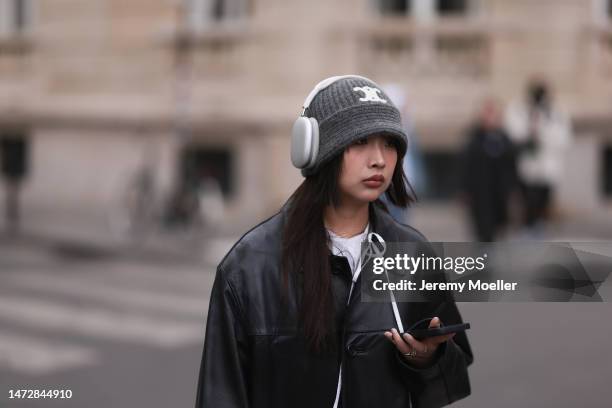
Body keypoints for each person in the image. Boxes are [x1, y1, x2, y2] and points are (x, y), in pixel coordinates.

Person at [195, 75, 472, 408]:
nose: (379, 160)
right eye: (361, 142)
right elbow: (220, 395)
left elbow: (450, 377)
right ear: (314, 147)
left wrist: (422, 357)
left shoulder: (411, 253)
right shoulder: (249, 266)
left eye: (388, 143)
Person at [504, 79, 572, 232]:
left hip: (548, 164)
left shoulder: (555, 112)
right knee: (527, 197)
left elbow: (564, 137)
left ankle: (539, 225)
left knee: (543, 198)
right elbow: (514, 132)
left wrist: (542, 133)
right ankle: (527, 226)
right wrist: (530, 130)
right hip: (527, 163)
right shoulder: (520, 109)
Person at [461, 99, 518, 242]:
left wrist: (513, 189)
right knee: (483, 231)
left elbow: (512, 166)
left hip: (499, 193)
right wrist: (464, 190)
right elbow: (466, 166)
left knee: (499, 229)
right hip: (480, 193)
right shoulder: (474, 138)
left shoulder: (505, 139)